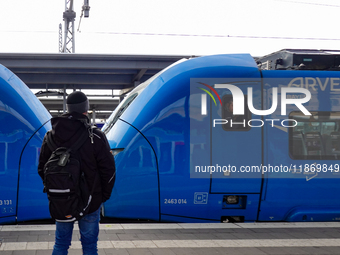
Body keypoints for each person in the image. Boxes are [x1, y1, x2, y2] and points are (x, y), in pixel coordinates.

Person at [38, 91, 116, 255]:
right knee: (89, 246)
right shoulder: (96, 136)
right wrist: (102, 196)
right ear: (85, 110)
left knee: (60, 244)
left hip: (62, 199)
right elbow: (109, 171)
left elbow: (42, 168)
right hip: (91, 201)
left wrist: (57, 188)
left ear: (68, 108)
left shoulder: (50, 136)